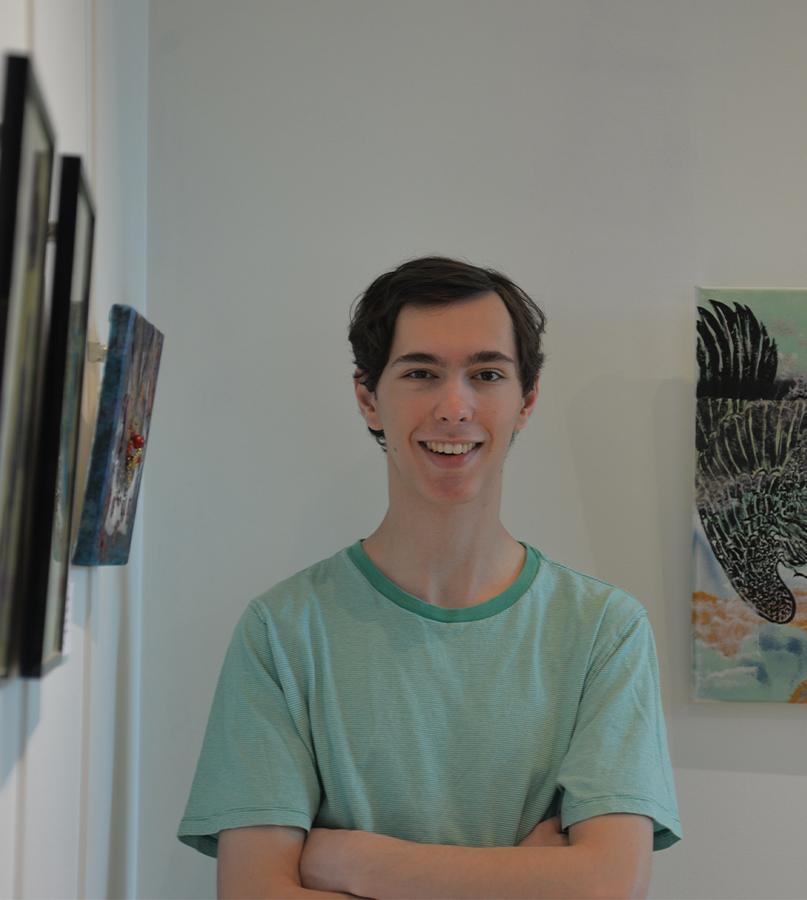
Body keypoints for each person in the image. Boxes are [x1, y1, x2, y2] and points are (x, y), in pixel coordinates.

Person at [178, 257, 681, 898]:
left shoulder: (604, 631)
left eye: (487, 374)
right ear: (369, 398)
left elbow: (607, 887)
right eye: (421, 373)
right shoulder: (281, 632)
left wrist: (355, 863)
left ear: (525, 402)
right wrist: (528, 879)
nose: (454, 406)